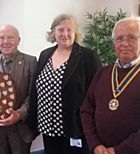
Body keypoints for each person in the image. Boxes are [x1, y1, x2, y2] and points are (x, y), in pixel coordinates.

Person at [81, 17, 140, 154]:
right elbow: (86, 111)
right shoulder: (102, 73)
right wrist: (95, 144)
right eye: (119, 38)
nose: (124, 43)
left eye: (131, 38)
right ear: (114, 42)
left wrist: (119, 151)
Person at [28, 14, 102, 154]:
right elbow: (35, 89)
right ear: (54, 33)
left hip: (75, 127)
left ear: (76, 33)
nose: (65, 34)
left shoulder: (87, 57)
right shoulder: (45, 55)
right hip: (47, 126)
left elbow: (97, 94)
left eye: (69, 30)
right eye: (60, 30)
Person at [0, 24, 37, 154]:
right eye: (1, 38)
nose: (5, 42)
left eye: (10, 38)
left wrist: (19, 114)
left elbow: (33, 94)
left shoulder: (31, 61)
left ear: (19, 40)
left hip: (20, 128)